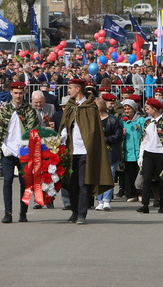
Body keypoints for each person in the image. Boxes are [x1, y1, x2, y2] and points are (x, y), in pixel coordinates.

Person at [59, 79, 114, 225]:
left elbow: (93, 130)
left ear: (78, 89)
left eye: (70, 88)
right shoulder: (70, 106)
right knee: (71, 183)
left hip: (85, 150)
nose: (68, 91)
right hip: (70, 151)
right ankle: (74, 211)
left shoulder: (90, 107)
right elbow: (65, 123)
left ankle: (82, 213)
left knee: (83, 183)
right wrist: (64, 131)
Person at [0, 81, 39, 224]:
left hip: (24, 152)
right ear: (11, 93)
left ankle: (23, 212)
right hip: (8, 151)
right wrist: (2, 146)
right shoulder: (5, 110)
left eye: (20, 93)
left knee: (24, 182)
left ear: (24, 93)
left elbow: (34, 130)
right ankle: (8, 212)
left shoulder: (29, 110)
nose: (18, 96)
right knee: (7, 181)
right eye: (15, 93)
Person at [136, 97, 163, 214]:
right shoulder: (148, 122)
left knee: (162, 180)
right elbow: (144, 139)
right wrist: (141, 155)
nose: (146, 111)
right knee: (147, 179)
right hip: (149, 153)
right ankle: (145, 204)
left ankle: (162, 205)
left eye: (148, 109)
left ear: (154, 109)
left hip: (161, 154)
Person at [95, 95, 123, 211]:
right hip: (97, 153)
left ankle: (106, 200)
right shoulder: (92, 120)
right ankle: (99, 200)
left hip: (111, 152)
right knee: (97, 177)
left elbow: (118, 135)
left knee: (109, 176)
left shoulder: (112, 120)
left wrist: (105, 139)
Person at [120, 98, 145, 202]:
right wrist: (122, 133)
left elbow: (145, 132)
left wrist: (140, 129)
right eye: (125, 109)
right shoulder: (122, 121)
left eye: (129, 108)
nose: (127, 111)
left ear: (134, 109)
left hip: (139, 151)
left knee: (140, 174)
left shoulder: (141, 119)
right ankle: (130, 194)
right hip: (128, 152)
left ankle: (140, 193)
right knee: (129, 174)